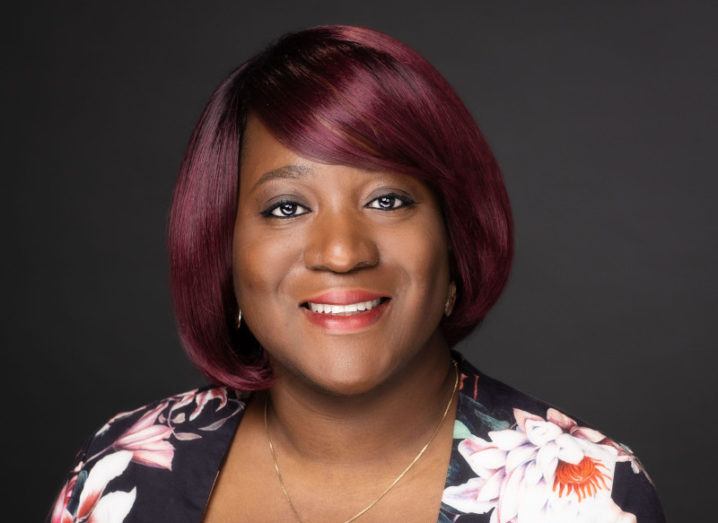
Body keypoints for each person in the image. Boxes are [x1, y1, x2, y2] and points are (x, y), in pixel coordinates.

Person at [47, 25, 665, 523]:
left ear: (455, 239)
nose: (342, 253)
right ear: (224, 250)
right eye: (286, 208)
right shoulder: (121, 467)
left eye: (388, 200)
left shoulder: (584, 497)